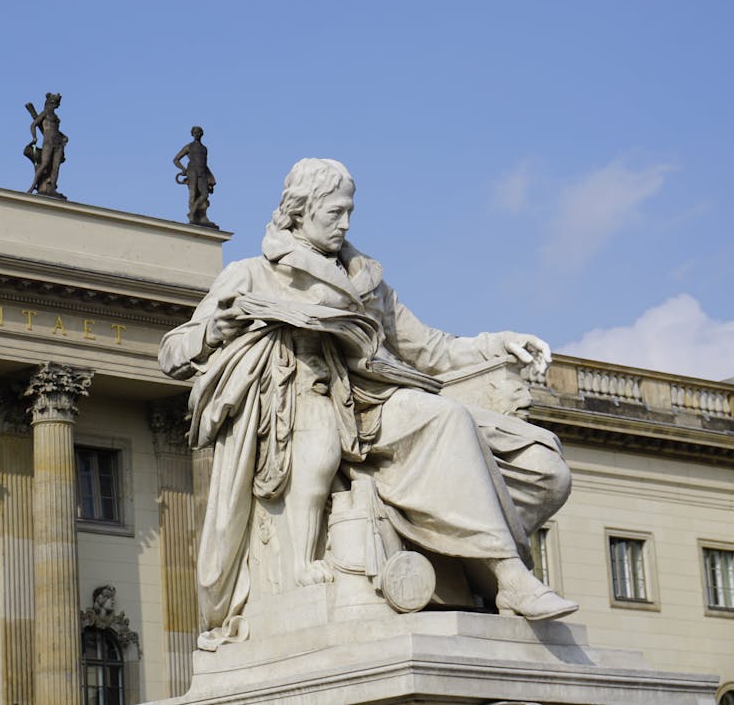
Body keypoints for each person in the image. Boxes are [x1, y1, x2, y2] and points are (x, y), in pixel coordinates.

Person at [159, 158, 577, 648]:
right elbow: (173, 353)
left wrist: (497, 343)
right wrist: (220, 326)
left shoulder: (367, 280)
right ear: (300, 210)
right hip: (318, 406)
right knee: (444, 419)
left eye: (349, 211)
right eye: (335, 212)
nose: (346, 223)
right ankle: (510, 578)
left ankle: (475, 569)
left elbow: (432, 349)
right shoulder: (251, 275)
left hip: (378, 401)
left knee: (540, 460)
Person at [173, 126, 217, 227]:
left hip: (202, 172)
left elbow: (205, 164)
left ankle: (195, 213)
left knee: (204, 195)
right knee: (193, 194)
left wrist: (211, 178)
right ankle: (194, 216)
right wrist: (183, 169)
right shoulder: (189, 147)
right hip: (192, 172)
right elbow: (176, 159)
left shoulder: (204, 149)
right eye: (194, 132)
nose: (196, 134)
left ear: (201, 134)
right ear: (192, 134)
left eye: (198, 132)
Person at [26, 92, 68, 198]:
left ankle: (52, 188)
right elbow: (33, 125)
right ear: (52, 103)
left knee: (56, 167)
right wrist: (34, 138)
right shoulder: (45, 113)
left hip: (58, 143)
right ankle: (32, 186)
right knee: (44, 164)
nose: (57, 105)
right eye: (57, 103)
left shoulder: (55, 115)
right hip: (48, 143)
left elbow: (56, 130)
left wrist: (64, 137)